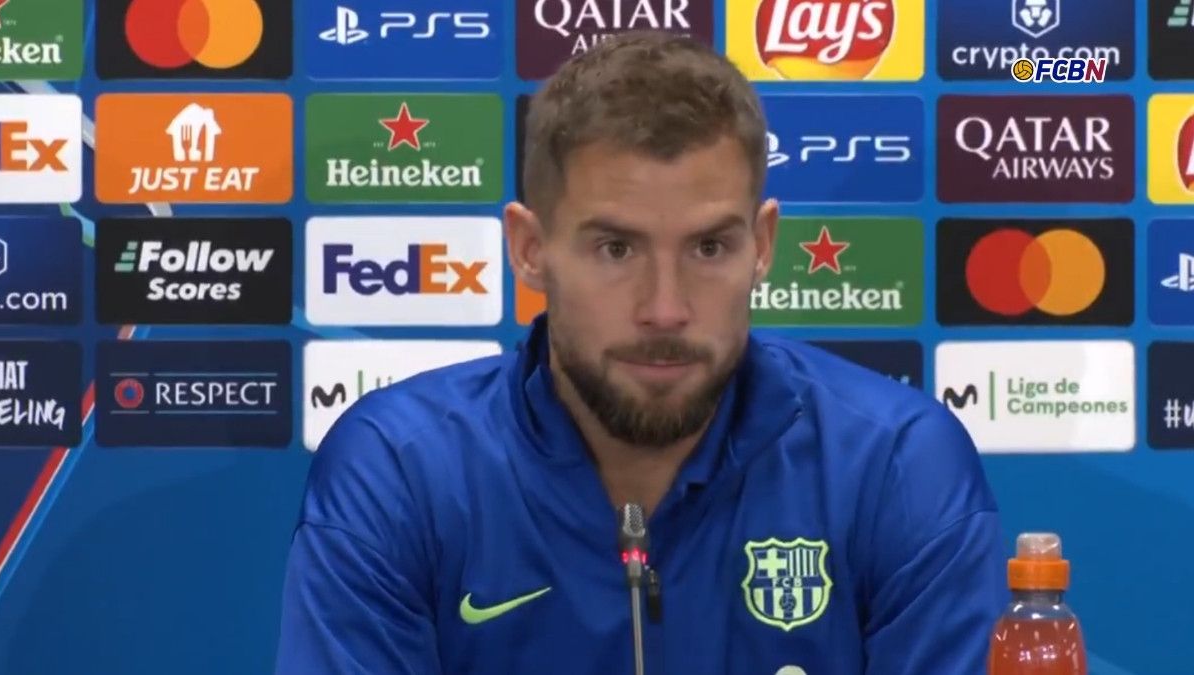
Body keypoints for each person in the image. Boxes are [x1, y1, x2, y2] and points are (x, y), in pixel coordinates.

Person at [275, 31, 1008, 675]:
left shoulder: (896, 464)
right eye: (616, 247)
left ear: (763, 245)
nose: (665, 307)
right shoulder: (403, 470)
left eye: (709, 246)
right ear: (530, 249)